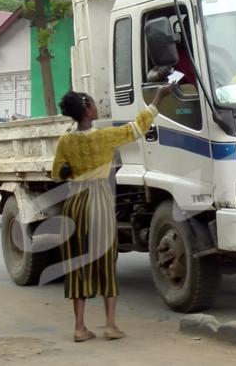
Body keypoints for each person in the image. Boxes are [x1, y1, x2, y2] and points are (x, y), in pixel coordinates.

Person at [52, 83, 174, 343]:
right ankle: (109, 325)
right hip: (98, 201)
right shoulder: (103, 137)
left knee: (77, 263)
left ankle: (79, 328)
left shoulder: (65, 140)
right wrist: (158, 98)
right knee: (106, 260)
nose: (97, 107)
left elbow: (57, 172)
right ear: (86, 111)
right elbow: (138, 128)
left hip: (73, 202)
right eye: (94, 104)